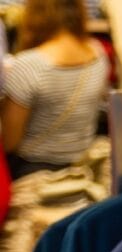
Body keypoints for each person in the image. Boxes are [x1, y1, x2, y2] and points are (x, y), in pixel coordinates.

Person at [1, 0, 109, 179]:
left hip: (33, 172)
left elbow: (10, 142)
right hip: (83, 170)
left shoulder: (29, 64)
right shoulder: (97, 53)